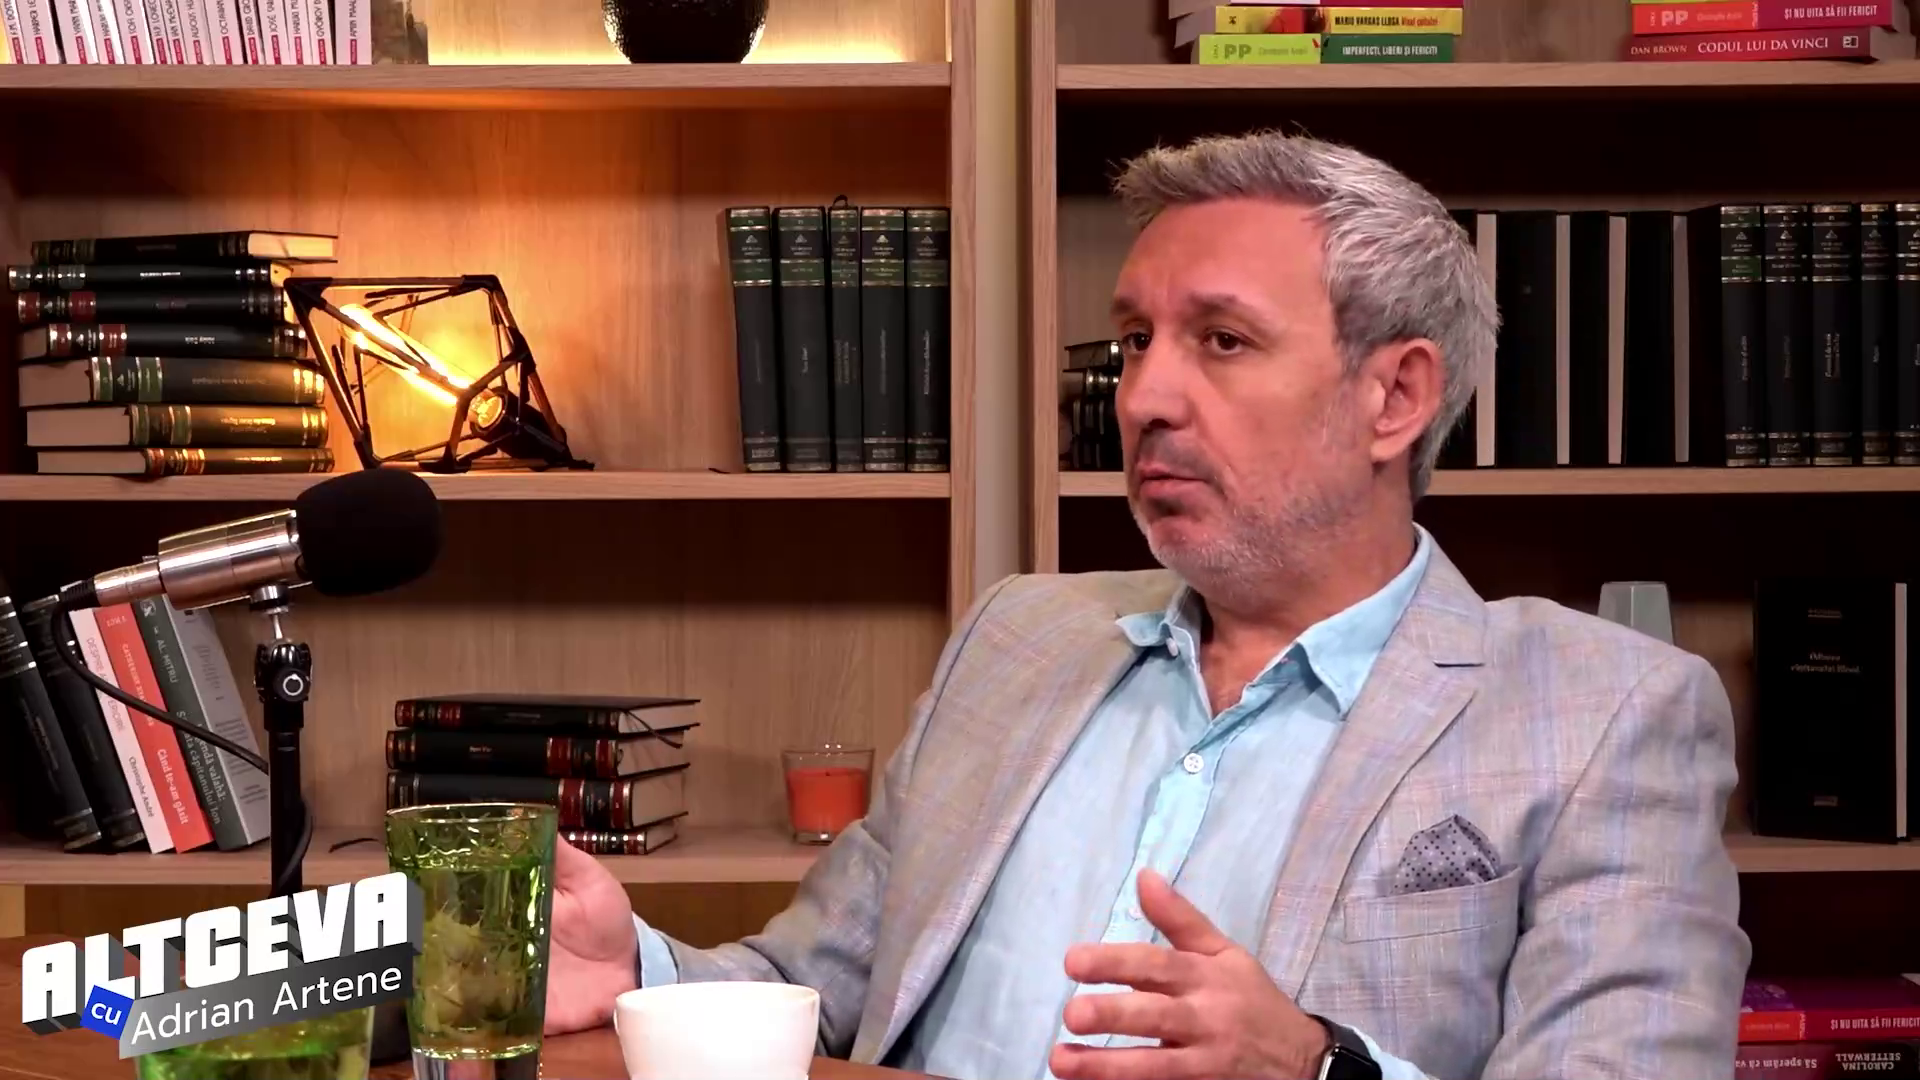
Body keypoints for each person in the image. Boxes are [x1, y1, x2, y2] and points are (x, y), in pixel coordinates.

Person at [543, 130, 1750, 1080]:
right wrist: (637, 972)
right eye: (1133, 341)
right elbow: (817, 990)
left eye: (1221, 341)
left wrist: (1316, 1068)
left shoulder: (1603, 715)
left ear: (1395, 398)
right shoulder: (1016, 639)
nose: (1143, 398)